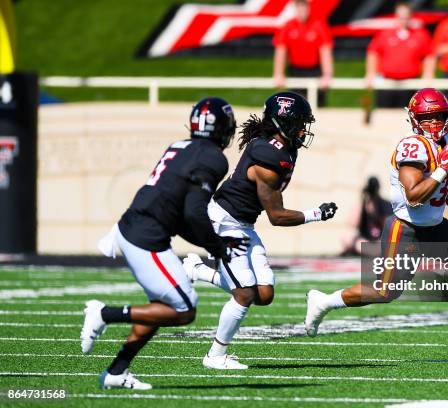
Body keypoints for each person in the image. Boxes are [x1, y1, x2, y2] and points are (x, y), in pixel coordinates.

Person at [304, 88, 448, 349]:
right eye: (427, 118)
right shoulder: (414, 146)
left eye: (439, 116)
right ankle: (324, 301)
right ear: (414, 119)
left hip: (434, 226)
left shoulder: (443, 142)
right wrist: (444, 167)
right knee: (385, 292)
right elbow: (414, 196)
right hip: (406, 228)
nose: (434, 123)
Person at [80, 97, 246, 389]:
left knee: (163, 305)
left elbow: (183, 217)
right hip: (145, 235)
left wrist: (215, 242)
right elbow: (194, 212)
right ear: (222, 129)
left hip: (138, 226)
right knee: (184, 309)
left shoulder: (180, 146)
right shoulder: (213, 158)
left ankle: (117, 372)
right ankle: (103, 313)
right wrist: (217, 247)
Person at [182, 91, 338, 369]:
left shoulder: (282, 147)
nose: (304, 129)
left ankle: (197, 271)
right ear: (283, 122)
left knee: (264, 294)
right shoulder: (268, 155)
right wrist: (317, 214)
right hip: (224, 223)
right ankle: (215, 356)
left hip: (243, 224)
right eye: (300, 122)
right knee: (244, 294)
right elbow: (277, 216)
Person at [365, 1, 434, 108]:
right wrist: (370, 73)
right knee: (385, 115)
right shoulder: (385, 34)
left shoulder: (420, 35)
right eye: (400, 17)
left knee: (407, 116)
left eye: (405, 17)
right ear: (396, 16)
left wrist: (428, 74)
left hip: (410, 84)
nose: (403, 20)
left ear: (410, 17)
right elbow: (373, 52)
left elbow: (429, 55)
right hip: (387, 84)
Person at [273, 0, 334, 107]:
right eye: (299, 6)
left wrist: (327, 75)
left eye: (304, 6)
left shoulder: (319, 25)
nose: (302, 9)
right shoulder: (288, 26)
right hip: (295, 71)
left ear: (308, 7)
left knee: (317, 106)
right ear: (295, 8)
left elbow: (325, 51)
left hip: (314, 71)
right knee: (295, 106)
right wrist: (278, 73)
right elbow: (281, 50)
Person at [341, 176, 392, 256]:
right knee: (347, 238)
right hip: (365, 240)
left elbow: (389, 228)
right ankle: (372, 252)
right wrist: (362, 204)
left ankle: (373, 252)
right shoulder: (362, 205)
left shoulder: (384, 205)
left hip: (380, 241)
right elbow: (352, 224)